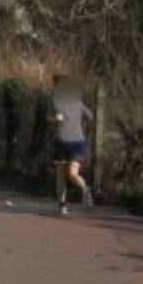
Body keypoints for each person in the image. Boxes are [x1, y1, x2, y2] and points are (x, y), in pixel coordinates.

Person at [50, 75, 93, 216]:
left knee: (71, 173)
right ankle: (63, 205)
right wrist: (55, 119)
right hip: (62, 143)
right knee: (62, 175)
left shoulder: (77, 103)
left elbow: (90, 116)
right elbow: (48, 117)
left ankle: (85, 190)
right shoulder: (56, 102)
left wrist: (78, 123)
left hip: (76, 143)